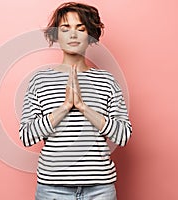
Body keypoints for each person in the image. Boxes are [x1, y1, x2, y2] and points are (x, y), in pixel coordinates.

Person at [19, 2, 132, 199]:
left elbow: (123, 136)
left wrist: (83, 107)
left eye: (80, 29)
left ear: (90, 36)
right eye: (65, 28)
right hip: (52, 189)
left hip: (100, 190)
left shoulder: (106, 81)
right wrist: (64, 107)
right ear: (57, 35)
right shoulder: (40, 81)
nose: (73, 34)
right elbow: (27, 136)